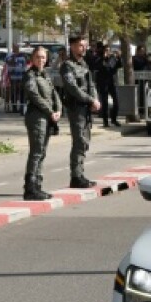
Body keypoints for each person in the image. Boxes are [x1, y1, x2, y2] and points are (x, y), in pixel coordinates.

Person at [60, 35, 99, 188]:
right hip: (76, 107)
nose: (83, 48)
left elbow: (91, 84)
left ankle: (80, 173)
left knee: (85, 142)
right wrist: (90, 100)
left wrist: (95, 99)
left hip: (86, 108)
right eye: (80, 45)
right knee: (79, 141)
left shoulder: (84, 64)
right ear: (73, 46)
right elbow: (73, 88)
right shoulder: (67, 66)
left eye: (85, 45)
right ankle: (76, 176)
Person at [23, 47, 62, 200]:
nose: (41, 60)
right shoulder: (30, 75)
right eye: (38, 57)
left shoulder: (45, 75)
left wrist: (58, 109)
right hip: (37, 117)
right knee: (36, 152)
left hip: (48, 117)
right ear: (32, 59)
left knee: (42, 152)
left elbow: (54, 94)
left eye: (43, 57)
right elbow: (34, 95)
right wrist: (49, 110)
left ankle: (38, 185)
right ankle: (30, 187)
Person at [92, 41, 121, 125]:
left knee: (116, 101)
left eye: (109, 50)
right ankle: (105, 121)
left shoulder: (112, 58)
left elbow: (117, 66)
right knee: (104, 102)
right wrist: (103, 58)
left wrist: (118, 58)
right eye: (106, 50)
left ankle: (114, 119)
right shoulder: (98, 58)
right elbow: (97, 66)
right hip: (102, 82)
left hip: (111, 82)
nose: (107, 52)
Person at [4, 44, 29, 113]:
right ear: (13, 48)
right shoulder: (9, 55)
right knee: (14, 92)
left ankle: (21, 107)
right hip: (13, 77)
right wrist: (14, 56)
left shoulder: (22, 56)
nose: (16, 49)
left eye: (17, 47)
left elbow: (25, 65)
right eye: (15, 47)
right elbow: (8, 62)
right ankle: (14, 107)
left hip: (21, 77)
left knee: (21, 92)